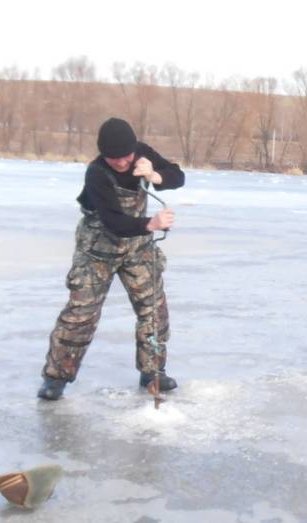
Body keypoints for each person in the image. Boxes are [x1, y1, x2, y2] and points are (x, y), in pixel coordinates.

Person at [38, 117, 185, 400]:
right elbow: (114, 222)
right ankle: (55, 378)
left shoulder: (142, 153)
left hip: (137, 249)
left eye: (126, 156)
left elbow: (178, 176)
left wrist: (156, 176)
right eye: (113, 158)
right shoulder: (96, 173)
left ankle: (153, 372)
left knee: (154, 310)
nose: (121, 162)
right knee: (80, 316)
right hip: (97, 251)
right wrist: (151, 224)